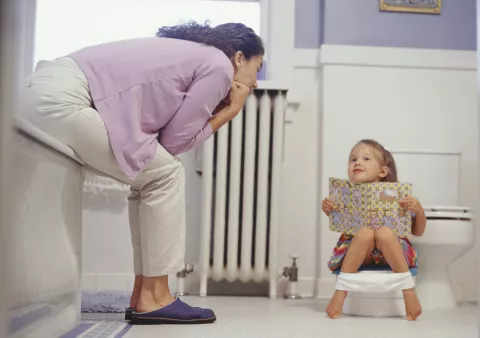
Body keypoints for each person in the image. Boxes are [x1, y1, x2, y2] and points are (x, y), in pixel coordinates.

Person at [21, 21, 264, 325]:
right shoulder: (218, 65)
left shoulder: (195, 55)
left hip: (41, 91)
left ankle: (143, 294)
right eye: (258, 67)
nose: (255, 83)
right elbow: (175, 144)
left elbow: (161, 141)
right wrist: (230, 111)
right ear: (239, 57)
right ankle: (156, 297)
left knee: (150, 174)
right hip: (60, 99)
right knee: (166, 173)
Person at [321, 139, 426, 321]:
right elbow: (340, 222)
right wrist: (329, 208)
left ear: (383, 171)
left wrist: (419, 210)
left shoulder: (398, 196)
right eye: (353, 159)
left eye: (366, 158)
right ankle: (340, 292)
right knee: (365, 233)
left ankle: (408, 291)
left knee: (384, 232)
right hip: (360, 251)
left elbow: (418, 232)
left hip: (392, 251)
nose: (357, 162)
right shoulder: (343, 195)